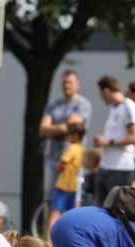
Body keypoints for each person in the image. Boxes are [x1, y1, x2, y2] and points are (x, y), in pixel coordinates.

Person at [39, 70, 92, 208]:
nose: (66, 85)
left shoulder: (83, 104)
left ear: (77, 84)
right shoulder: (54, 105)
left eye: (70, 82)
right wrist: (64, 127)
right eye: (64, 82)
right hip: (53, 157)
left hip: (73, 160)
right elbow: (43, 129)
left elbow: (74, 126)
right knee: (52, 199)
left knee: (73, 198)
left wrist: (55, 128)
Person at [93, 75, 135, 205]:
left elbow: (134, 137)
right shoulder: (114, 108)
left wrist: (108, 142)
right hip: (105, 166)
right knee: (101, 211)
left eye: (101, 93)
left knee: (117, 211)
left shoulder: (128, 106)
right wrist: (102, 141)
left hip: (121, 169)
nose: (101, 97)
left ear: (107, 91)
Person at [47, 116, 85, 235]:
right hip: (74, 186)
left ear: (76, 135)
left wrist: (56, 167)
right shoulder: (82, 149)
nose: (69, 137)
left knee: (55, 212)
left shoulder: (72, 148)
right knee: (70, 215)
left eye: (70, 134)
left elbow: (62, 164)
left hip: (63, 185)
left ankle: (50, 238)